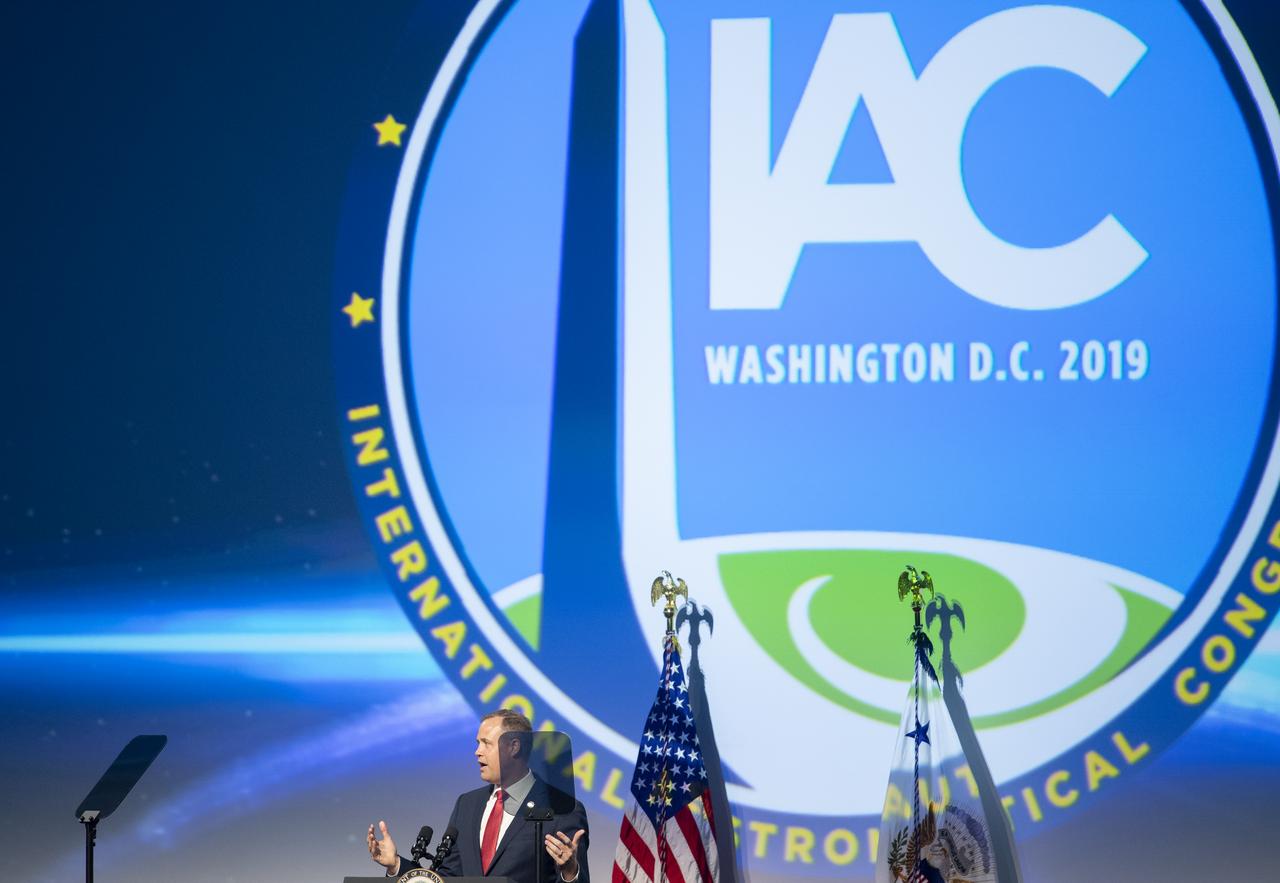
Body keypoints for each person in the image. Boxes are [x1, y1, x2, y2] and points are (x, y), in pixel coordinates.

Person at [367, 709, 589, 882]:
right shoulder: (467, 804)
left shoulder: (560, 808)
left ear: (514, 747)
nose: (477, 752)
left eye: (486, 743)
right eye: (477, 743)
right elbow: (446, 878)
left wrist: (570, 872)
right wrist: (396, 864)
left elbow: (577, 880)